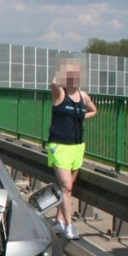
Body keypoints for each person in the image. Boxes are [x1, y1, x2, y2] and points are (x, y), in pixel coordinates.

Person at [46, 57, 97, 240]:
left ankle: (59, 221)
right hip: (59, 145)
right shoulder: (60, 93)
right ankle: (70, 226)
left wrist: (81, 117)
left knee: (68, 188)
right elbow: (53, 82)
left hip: (77, 146)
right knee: (66, 186)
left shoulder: (83, 96)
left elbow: (94, 110)